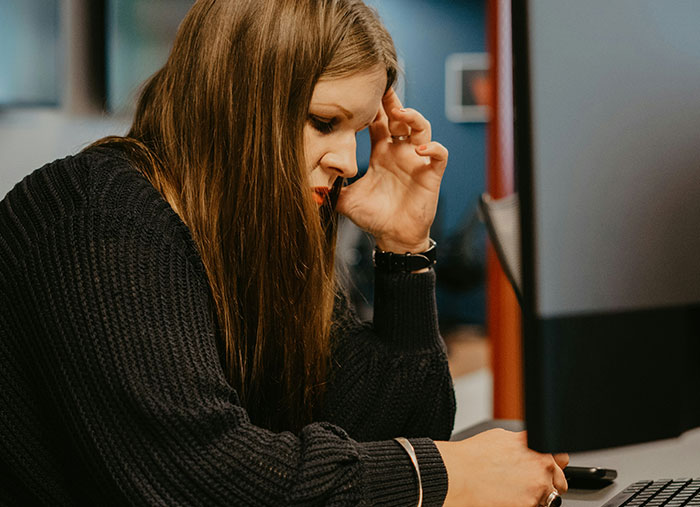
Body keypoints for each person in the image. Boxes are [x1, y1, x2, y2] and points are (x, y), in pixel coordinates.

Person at [0, 0, 568, 505]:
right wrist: (443, 476)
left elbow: (397, 431)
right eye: (325, 122)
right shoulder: (97, 218)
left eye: (358, 129)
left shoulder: (252, 231)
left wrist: (403, 249)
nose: (349, 160)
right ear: (238, 102)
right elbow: (196, 476)